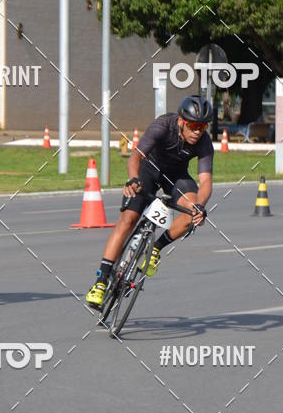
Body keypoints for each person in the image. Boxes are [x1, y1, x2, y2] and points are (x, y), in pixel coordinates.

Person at [85, 95, 214, 309]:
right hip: (148, 170)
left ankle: (155, 249)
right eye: (193, 126)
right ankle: (100, 282)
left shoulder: (204, 142)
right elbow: (136, 156)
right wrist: (133, 178)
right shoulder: (163, 125)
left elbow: (206, 181)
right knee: (128, 219)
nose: (197, 131)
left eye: (202, 126)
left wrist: (200, 206)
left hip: (176, 177)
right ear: (182, 121)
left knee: (192, 211)